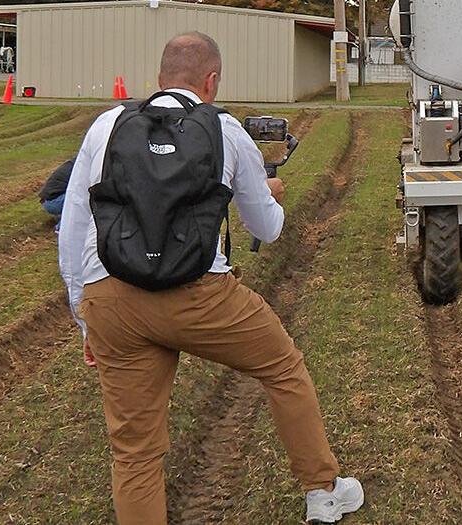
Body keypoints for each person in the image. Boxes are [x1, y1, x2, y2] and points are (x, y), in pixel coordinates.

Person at [58, 32, 363, 524]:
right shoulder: (224, 129)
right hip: (200, 296)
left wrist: (84, 316)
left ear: (157, 80)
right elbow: (267, 226)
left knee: (134, 452)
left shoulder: (106, 127)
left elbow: (73, 227)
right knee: (283, 368)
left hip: (111, 297)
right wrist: (270, 191)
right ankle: (323, 490)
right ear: (212, 80)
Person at [39, 158, 75, 230]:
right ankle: (61, 228)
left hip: (50, 199)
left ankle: (60, 218)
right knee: (82, 199)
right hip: (53, 201)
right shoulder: (78, 168)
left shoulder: (73, 163)